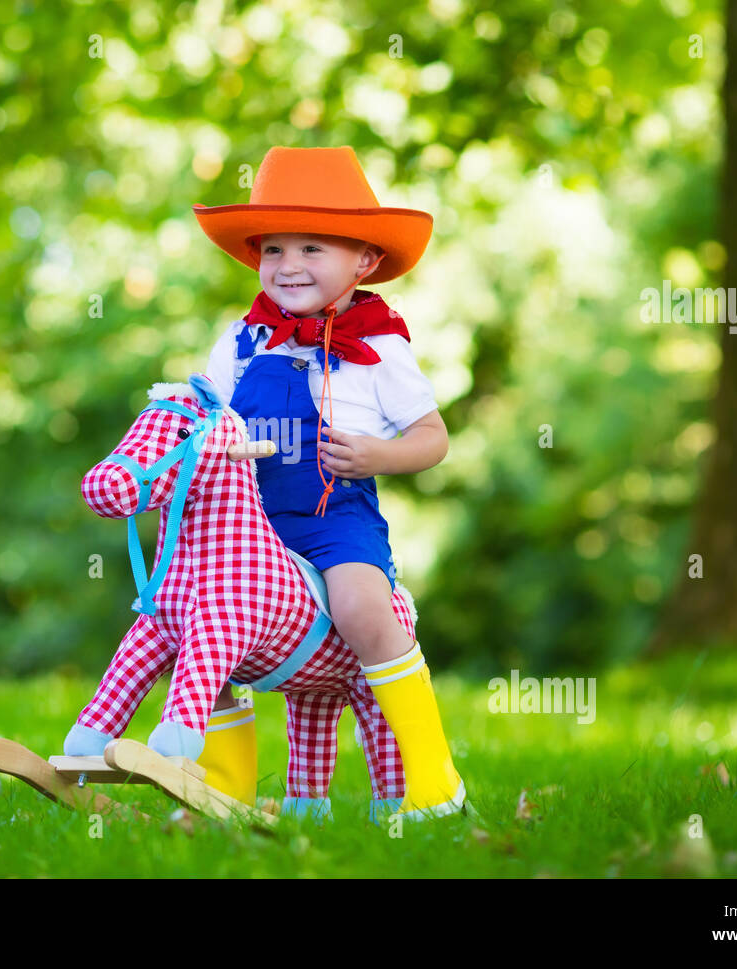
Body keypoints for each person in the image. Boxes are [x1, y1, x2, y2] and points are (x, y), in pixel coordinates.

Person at [191, 145, 466, 819]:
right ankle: (224, 786)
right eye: (273, 249)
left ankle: (434, 779)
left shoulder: (381, 349)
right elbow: (200, 422)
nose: (287, 266)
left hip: (335, 516)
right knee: (197, 622)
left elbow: (434, 437)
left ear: (365, 260)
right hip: (249, 522)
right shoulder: (240, 342)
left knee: (361, 606)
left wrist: (377, 453)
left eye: (312, 248)